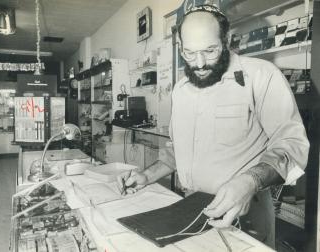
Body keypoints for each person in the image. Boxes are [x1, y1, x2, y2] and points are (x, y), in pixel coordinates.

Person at [117, 0, 309, 248]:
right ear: (180, 46)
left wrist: (250, 181)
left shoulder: (262, 76)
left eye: (210, 51)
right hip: (190, 207)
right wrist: (147, 175)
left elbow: (293, 145)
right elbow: (180, 150)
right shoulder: (181, 90)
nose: (198, 64)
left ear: (227, 40)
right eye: (189, 52)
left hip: (245, 213)